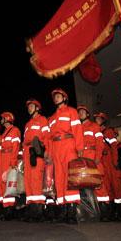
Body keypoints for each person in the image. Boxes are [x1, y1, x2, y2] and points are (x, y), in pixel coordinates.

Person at [46, 88, 84, 224]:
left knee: (70, 177)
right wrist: (49, 153)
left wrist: (79, 148)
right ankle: (62, 210)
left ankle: (72, 211)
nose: (56, 98)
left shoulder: (71, 112)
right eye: (54, 97)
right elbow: (49, 138)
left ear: (64, 98)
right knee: (59, 178)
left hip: (68, 145)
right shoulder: (51, 118)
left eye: (58, 96)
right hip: (56, 148)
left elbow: (77, 130)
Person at [77, 105, 110, 221]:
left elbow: (100, 143)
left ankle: (105, 213)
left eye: (83, 112)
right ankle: (89, 213)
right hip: (81, 160)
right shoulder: (77, 128)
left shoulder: (94, 126)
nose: (80, 113)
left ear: (87, 114)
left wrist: (97, 157)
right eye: (79, 112)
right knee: (84, 186)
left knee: (98, 185)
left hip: (92, 157)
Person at [23, 98, 49, 222]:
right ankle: (31, 210)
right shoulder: (27, 124)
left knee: (36, 181)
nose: (29, 108)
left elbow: (47, 137)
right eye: (28, 107)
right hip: (27, 155)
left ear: (37, 108)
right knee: (28, 181)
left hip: (37, 153)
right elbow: (24, 144)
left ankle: (38, 212)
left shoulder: (42, 120)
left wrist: (47, 150)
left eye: (31, 106)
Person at [0, 111, 21, 220]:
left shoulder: (15, 130)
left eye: (2, 118)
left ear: (7, 118)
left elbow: (15, 148)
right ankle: (4, 209)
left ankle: (9, 211)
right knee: (2, 186)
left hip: (8, 160)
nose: (1, 120)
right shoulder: (4, 133)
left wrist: (12, 164)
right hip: (2, 160)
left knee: (9, 186)